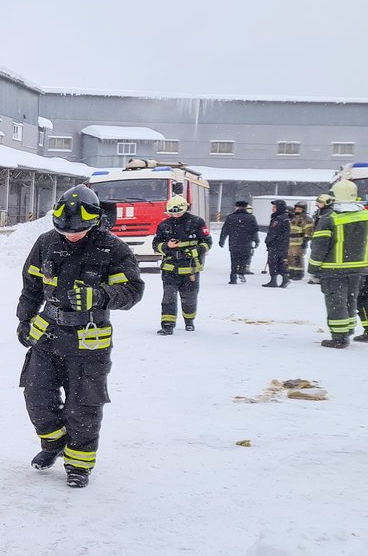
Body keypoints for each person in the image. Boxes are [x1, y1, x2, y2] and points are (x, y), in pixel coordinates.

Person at [16, 185, 144, 488]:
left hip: (89, 340)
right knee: (36, 396)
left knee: (83, 406)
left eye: (78, 230)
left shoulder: (112, 248)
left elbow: (132, 291)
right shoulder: (47, 243)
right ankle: (54, 444)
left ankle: (79, 464)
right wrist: (24, 321)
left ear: (94, 221)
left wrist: (99, 296)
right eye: (65, 230)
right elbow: (31, 287)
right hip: (47, 334)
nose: (71, 235)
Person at [308, 179, 368, 348]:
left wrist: (313, 267)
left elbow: (319, 246)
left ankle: (339, 337)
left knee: (336, 302)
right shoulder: (365, 215)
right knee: (351, 300)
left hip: (334, 270)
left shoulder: (330, 218)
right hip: (359, 269)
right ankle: (347, 330)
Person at [153, 194, 211, 334]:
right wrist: (167, 245)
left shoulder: (197, 222)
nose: (176, 215)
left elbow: (207, 242)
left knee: (189, 298)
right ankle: (167, 325)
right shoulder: (164, 225)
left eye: (178, 212)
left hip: (190, 269)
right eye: (172, 213)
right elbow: (156, 244)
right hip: (170, 269)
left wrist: (196, 251)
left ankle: (189, 321)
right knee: (168, 298)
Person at [219, 199, 259, 283]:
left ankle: (233, 277)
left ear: (236, 207)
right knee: (244, 259)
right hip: (246, 243)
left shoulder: (231, 217)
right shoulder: (251, 217)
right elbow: (254, 230)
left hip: (234, 242)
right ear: (246, 207)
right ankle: (241, 271)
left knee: (234, 260)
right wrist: (256, 241)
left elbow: (225, 230)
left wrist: (222, 240)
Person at [262, 199, 291, 288]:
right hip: (282, 244)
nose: (273, 209)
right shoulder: (284, 217)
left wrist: (268, 241)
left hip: (277, 244)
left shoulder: (279, 219)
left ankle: (275, 280)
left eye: (274, 207)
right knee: (279, 262)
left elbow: (273, 232)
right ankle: (283, 279)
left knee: (274, 262)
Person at [286, 201, 314, 281]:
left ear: (303, 209)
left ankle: (299, 273)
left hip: (299, 242)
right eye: (296, 208)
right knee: (290, 257)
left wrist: (305, 240)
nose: (297, 210)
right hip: (291, 242)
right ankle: (291, 272)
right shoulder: (293, 218)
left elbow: (309, 230)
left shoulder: (307, 219)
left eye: (299, 208)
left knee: (297, 258)